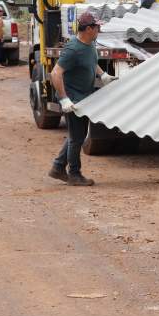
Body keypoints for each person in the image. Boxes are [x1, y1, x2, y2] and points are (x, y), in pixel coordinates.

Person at [47, 12, 115, 186]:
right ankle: (74, 174)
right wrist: (64, 99)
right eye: (97, 27)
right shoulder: (73, 49)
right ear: (89, 29)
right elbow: (55, 73)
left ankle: (58, 167)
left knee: (76, 135)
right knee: (77, 138)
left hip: (84, 97)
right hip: (73, 99)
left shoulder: (89, 44)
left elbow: (91, 61)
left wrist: (103, 75)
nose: (99, 29)